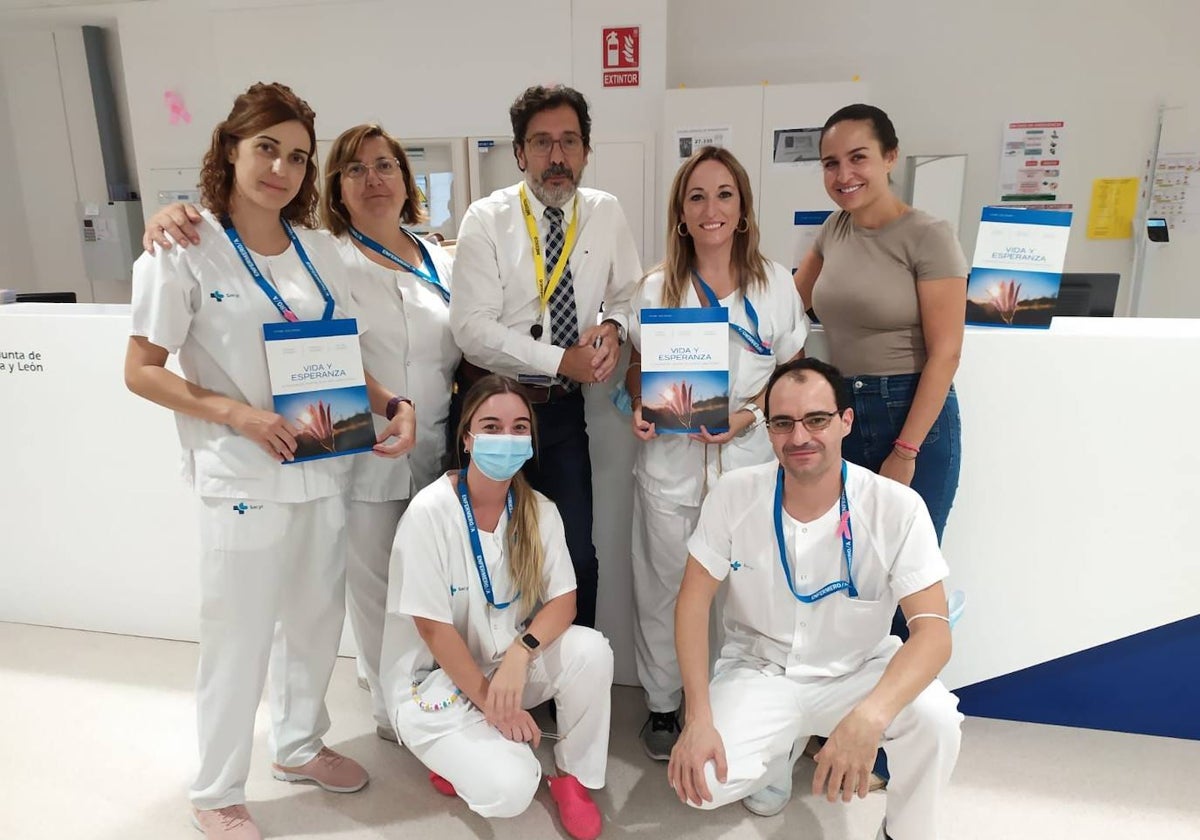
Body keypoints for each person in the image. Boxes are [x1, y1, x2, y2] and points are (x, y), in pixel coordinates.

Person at [124, 83, 416, 840]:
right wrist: (237, 415)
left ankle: (296, 745)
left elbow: (339, 356)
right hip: (242, 476)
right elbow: (142, 368)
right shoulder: (184, 247)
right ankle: (216, 788)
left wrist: (389, 404)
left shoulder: (318, 251)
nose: (280, 169)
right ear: (228, 147)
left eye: (296, 156)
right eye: (265, 148)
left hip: (324, 463)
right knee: (239, 634)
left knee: (316, 624)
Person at [141, 124, 460, 742]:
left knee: (427, 581)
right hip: (351, 447)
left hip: (434, 442)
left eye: (386, 166)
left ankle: (423, 692)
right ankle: (391, 710)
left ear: (407, 177)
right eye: (356, 169)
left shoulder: (435, 256)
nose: (374, 179)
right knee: (371, 589)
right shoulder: (324, 254)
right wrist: (170, 214)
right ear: (336, 185)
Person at [667, 358, 962, 840]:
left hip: (858, 673)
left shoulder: (895, 507)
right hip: (761, 671)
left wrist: (870, 717)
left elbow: (934, 632)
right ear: (768, 430)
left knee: (937, 721)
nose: (799, 436)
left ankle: (902, 832)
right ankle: (780, 746)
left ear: (846, 421)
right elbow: (692, 602)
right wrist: (697, 717)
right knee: (699, 783)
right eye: (782, 423)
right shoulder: (734, 494)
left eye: (817, 420)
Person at [623, 146, 808, 760]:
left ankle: (737, 708)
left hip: (748, 469)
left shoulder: (775, 283)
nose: (711, 208)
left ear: (743, 206)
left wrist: (751, 414)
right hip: (670, 473)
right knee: (663, 593)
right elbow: (635, 369)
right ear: (680, 211)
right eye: (697, 196)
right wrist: (641, 411)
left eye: (724, 194)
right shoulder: (655, 287)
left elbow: (791, 371)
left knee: (747, 600)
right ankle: (662, 706)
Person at [379, 374, 613, 840]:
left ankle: (573, 778)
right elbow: (432, 630)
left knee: (591, 651)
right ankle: (459, 757)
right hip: (436, 683)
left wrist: (522, 653)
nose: (506, 438)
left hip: (504, 666)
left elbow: (565, 600)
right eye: (491, 425)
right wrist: (493, 706)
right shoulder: (430, 513)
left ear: (531, 440)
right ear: (466, 438)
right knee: (513, 787)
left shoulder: (538, 510)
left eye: (519, 427)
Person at [449, 84, 642, 630]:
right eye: (541, 143)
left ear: (585, 150)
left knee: (575, 553)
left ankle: (576, 682)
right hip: (492, 412)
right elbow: (470, 329)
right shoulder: (486, 218)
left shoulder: (605, 213)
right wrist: (562, 360)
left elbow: (629, 294)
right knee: (485, 554)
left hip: (559, 414)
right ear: (519, 153)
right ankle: (492, 686)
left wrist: (611, 327)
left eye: (569, 142)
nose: (556, 158)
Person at [794, 103, 967, 548]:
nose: (843, 174)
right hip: (844, 413)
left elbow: (946, 353)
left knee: (908, 567)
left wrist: (906, 450)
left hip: (909, 413)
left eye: (858, 157)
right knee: (854, 564)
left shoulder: (930, 235)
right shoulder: (835, 228)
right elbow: (789, 302)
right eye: (831, 163)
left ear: (889, 157)